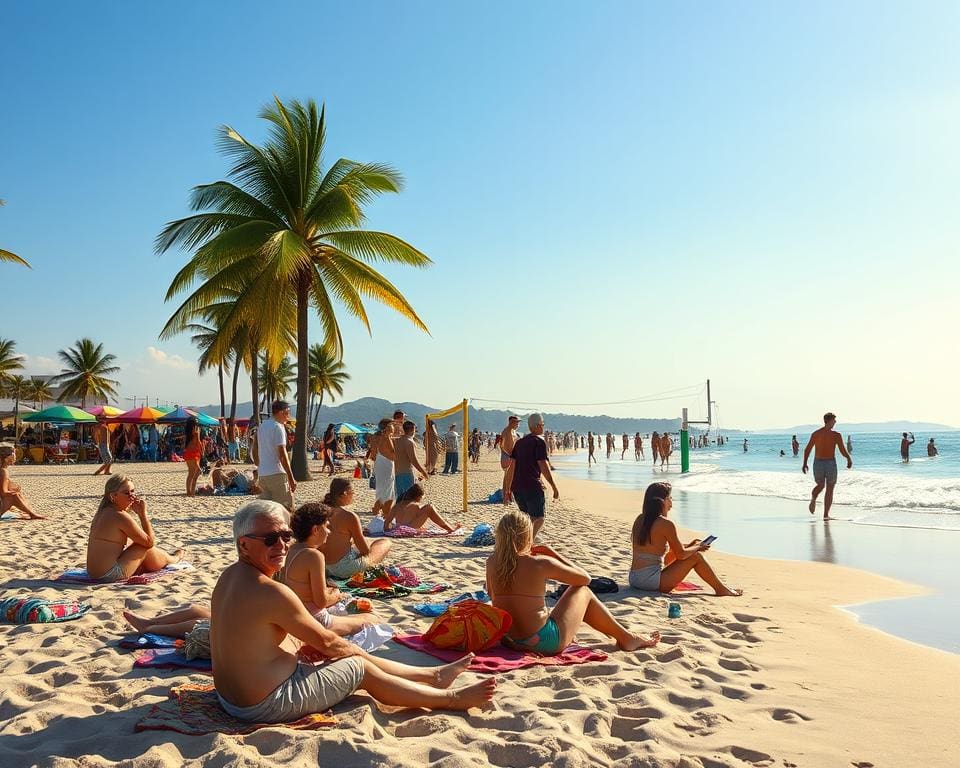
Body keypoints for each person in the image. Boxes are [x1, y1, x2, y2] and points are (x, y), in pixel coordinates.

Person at [211, 500, 495, 722]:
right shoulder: (271, 590)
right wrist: (347, 653)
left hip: (231, 697)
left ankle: (432, 676)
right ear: (244, 545)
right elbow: (329, 642)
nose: (282, 545)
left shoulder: (229, 578)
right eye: (270, 539)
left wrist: (312, 649)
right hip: (264, 703)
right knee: (358, 666)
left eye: (286, 535)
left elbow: (254, 637)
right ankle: (450, 697)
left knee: (335, 654)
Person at [487, 511, 660, 656]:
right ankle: (626, 638)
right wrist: (554, 555)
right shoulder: (540, 563)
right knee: (582, 591)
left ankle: (625, 636)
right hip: (542, 642)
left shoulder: (492, 562)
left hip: (509, 640)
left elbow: (491, 596)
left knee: (565, 600)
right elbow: (585, 579)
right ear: (527, 536)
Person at [281, 502, 382, 635]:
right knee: (373, 618)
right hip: (314, 619)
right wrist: (337, 594)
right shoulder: (314, 556)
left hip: (297, 614)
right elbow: (321, 601)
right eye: (327, 527)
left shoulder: (293, 549)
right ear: (315, 530)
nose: (329, 532)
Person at [629, 482, 742, 596]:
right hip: (650, 582)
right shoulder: (666, 524)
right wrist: (698, 547)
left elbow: (662, 551)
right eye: (670, 498)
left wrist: (691, 546)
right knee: (696, 556)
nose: (671, 503)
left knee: (692, 552)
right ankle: (721, 589)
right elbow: (681, 555)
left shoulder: (640, 519)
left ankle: (721, 588)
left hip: (634, 579)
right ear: (662, 501)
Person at [85, 474, 182, 582]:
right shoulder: (119, 515)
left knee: (140, 546)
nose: (132, 497)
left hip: (93, 574)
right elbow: (149, 542)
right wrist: (143, 515)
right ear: (113, 496)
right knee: (143, 546)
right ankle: (173, 559)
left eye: (133, 491)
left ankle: (169, 558)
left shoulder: (103, 511)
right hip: (109, 575)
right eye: (126, 493)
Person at [502, 413, 559, 540]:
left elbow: (512, 467)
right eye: (543, 424)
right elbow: (543, 465)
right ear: (538, 425)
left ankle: (525, 539)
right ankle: (527, 541)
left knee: (527, 517)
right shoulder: (539, 442)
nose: (543, 427)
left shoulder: (520, 443)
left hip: (517, 487)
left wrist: (508, 488)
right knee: (539, 518)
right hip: (532, 486)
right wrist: (554, 487)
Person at [322, 478, 392, 579]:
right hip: (343, 569)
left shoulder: (320, 511)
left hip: (323, 566)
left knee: (358, 542)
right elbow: (365, 550)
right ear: (345, 493)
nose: (354, 496)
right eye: (352, 493)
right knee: (385, 542)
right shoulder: (349, 516)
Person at [802, 412, 853, 519]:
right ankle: (813, 499)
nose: (835, 422)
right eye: (834, 420)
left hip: (830, 462)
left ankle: (826, 514)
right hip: (820, 462)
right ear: (829, 421)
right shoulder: (816, 434)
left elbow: (842, 450)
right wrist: (804, 463)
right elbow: (808, 449)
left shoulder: (836, 435)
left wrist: (848, 458)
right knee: (821, 485)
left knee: (830, 488)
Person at [255, 400, 297, 511]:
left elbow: (255, 449)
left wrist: (259, 465)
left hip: (263, 474)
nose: (289, 416)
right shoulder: (278, 427)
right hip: (277, 473)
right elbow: (282, 454)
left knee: (267, 511)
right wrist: (291, 477)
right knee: (286, 509)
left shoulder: (262, 426)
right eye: (287, 412)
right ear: (281, 412)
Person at [383, 483, 460, 533]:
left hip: (398, 526)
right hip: (409, 527)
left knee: (427, 511)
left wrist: (389, 531)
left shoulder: (397, 505)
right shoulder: (416, 505)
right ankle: (450, 528)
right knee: (430, 507)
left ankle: (449, 526)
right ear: (418, 496)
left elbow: (386, 523)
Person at [0, 444, 44, 519]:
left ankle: (31, 512)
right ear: (7, 458)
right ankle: (32, 514)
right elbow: (3, 492)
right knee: (14, 495)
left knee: (16, 494)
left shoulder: (3, 470)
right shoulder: (3, 471)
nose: (15, 457)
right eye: (14, 454)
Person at [368, 419, 396, 519]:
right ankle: (385, 514)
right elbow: (393, 452)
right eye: (392, 426)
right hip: (387, 465)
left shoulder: (374, 437)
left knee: (381, 490)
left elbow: (372, 455)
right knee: (388, 491)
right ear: (387, 428)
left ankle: (376, 511)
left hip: (378, 463)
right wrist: (388, 437)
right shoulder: (386, 438)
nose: (394, 428)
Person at [393, 421, 428, 499]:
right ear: (413, 430)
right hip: (407, 473)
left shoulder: (397, 441)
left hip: (397, 472)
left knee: (399, 497)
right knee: (409, 498)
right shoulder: (409, 442)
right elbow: (413, 460)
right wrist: (423, 471)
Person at [183, 417, 203, 497]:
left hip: (188, 452)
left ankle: (189, 491)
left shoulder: (188, 432)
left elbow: (185, 444)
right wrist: (201, 451)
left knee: (191, 473)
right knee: (197, 471)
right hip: (194, 453)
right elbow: (198, 442)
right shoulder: (196, 431)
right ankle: (192, 492)